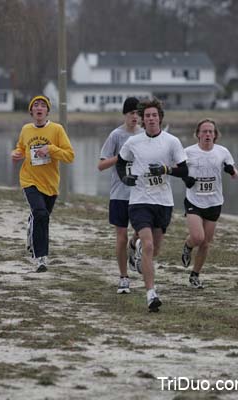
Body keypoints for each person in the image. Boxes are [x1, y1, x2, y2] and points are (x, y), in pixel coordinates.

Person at [116, 98, 188, 312]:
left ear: (160, 118)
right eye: (147, 116)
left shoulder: (172, 142)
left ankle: (133, 246)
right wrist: (124, 178)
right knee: (148, 245)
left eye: (154, 115)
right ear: (142, 119)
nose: (151, 119)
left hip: (163, 202)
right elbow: (120, 162)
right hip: (139, 200)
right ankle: (151, 294)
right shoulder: (133, 142)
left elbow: (184, 171)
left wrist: (166, 170)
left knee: (154, 249)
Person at [11, 95, 75, 272]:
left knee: (42, 217)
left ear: (47, 111)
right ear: (31, 111)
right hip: (29, 180)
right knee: (41, 214)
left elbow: (70, 156)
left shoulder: (57, 130)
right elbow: (21, 148)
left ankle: (32, 225)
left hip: (50, 184)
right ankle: (41, 258)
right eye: (35, 105)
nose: (39, 108)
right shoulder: (26, 129)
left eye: (43, 105)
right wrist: (16, 154)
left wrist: (51, 149)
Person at [181, 118, 238, 288]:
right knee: (198, 237)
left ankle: (195, 276)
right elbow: (176, 168)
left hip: (214, 201)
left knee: (206, 243)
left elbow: (236, 174)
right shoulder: (188, 152)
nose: (207, 134)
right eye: (204, 131)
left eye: (210, 132)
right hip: (194, 200)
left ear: (215, 135)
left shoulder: (222, 152)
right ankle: (187, 245)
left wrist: (231, 170)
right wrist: (186, 178)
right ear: (198, 134)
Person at [98, 97, 143, 294]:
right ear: (125, 114)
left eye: (137, 113)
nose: (135, 117)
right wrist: (121, 157)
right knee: (121, 236)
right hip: (119, 194)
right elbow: (101, 165)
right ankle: (124, 277)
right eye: (131, 113)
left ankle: (135, 245)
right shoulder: (116, 135)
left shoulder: (145, 135)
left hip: (141, 194)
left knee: (142, 232)